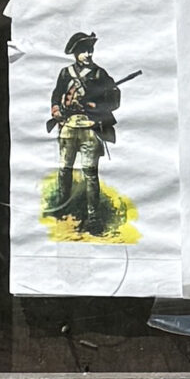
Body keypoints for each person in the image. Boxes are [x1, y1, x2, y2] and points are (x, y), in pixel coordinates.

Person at [46, 31, 125, 234]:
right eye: (83, 51)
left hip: (90, 127)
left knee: (90, 173)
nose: (88, 54)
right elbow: (56, 95)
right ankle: (62, 210)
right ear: (75, 53)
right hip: (68, 127)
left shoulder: (100, 74)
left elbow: (115, 99)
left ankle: (93, 218)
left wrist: (95, 105)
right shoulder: (65, 73)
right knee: (64, 169)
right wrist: (56, 109)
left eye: (90, 50)